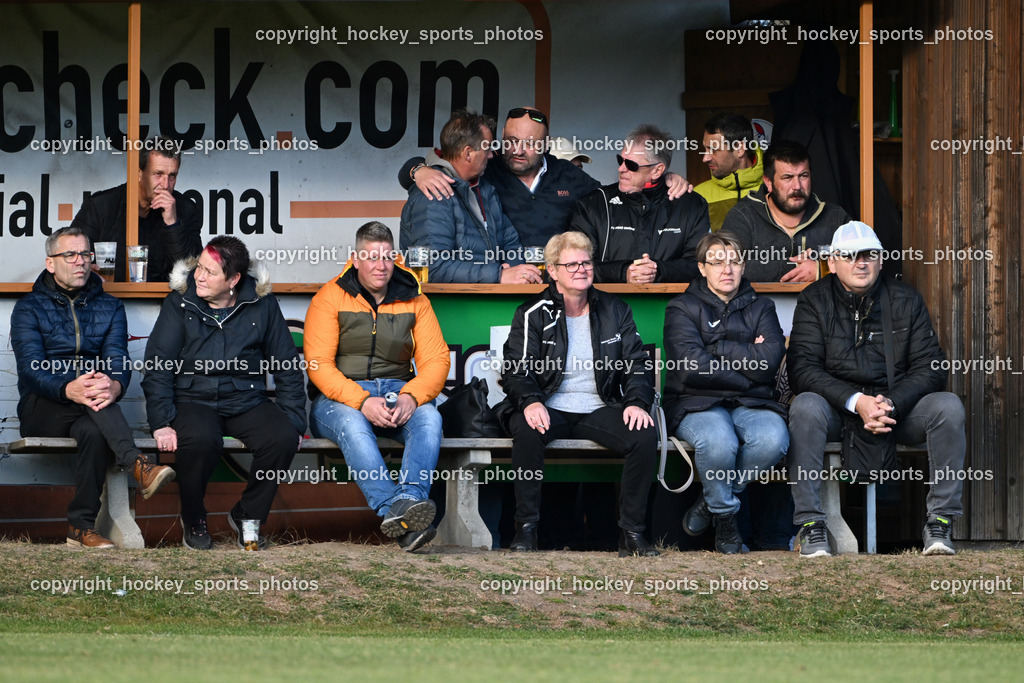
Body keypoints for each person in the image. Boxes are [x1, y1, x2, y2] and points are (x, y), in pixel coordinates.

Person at [787, 221, 965, 557]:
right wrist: (857, 402)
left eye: (869, 254)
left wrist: (890, 403)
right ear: (832, 261)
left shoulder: (905, 299)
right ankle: (811, 524)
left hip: (895, 410)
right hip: (838, 410)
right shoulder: (814, 299)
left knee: (947, 406)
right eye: (850, 255)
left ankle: (940, 522)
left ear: (881, 260)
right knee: (805, 405)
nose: (861, 262)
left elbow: (931, 367)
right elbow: (802, 370)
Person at [494, 231, 659, 556]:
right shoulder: (532, 312)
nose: (581, 269)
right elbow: (515, 369)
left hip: (599, 407)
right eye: (571, 264)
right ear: (553, 270)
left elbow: (637, 364)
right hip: (548, 405)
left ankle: (632, 533)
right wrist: (530, 401)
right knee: (527, 430)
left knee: (643, 434)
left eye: (585, 262)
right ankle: (526, 530)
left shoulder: (615, 309)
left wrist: (638, 402)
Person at [11, 226, 175, 548]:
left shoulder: (109, 307)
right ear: (50, 263)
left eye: (85, 254)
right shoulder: (28, 308)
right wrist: (67, 388)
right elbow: (31, 369)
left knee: (94, 426)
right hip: (43, 405)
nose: (80, 261)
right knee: (93, 398)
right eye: (69, 254)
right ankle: (137, 465)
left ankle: (80, 528)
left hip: (93, 407)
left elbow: (117, 359)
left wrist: (115, 385)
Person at [142, 236, 306, 550]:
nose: (199, 276)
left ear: (233, 280)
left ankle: (248, 514)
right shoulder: (180, 301)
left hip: (245, 398)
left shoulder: (262, 304)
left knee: (282, 437)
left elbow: (286, 366)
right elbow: (158, 364)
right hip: (193, 398)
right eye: (199, 267)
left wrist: (295, 421)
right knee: (200, 440)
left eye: (210, 272)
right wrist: (161, 420)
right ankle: (194, 516)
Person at [305, 221, 451, 552]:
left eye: (386, 257)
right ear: (355, 259)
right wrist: (361, 401)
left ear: (395, 258)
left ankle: (410, 501)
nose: (380, 265)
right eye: (371, 257)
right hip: (337, 399)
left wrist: (411, 397)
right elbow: (318, 366)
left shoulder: (415, 299)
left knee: (429, 418)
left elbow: (437, 361)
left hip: (397, 392)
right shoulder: (330, 297)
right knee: (354, 425)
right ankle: (395, 512)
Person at [399, 106, 693, 250]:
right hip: (498, 284)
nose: (517, 151)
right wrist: (417, 169)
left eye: (529, 144)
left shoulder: (569, 176)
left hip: (557, 289)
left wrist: (662, 178)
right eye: (511, 141)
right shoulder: (488, 169)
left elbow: (616, 195)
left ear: (545, 144)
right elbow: (450, 163)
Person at [663, 231, 788, 554]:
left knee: (773, 439)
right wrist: (747, 367)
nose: (727, 269)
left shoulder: (763, 307)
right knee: (719, 441)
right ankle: (728, 523)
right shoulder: (682, 307)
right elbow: (691, 367)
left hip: (752, 402)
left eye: (734, 261)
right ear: (702, 268)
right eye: (717, 262)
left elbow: (770, 362)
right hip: (695, 402)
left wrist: (716, 347)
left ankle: (711, 502)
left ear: (744, 266)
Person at [398, 109, 539, 284]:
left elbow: (511, 243)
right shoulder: (433, 191)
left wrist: (515, 271)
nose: (491, 155)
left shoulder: (485, 188)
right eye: (487, 148)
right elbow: (433, 267)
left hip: (484, 302)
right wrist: (498, 275)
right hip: (447, 307)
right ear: (467, 153)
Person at [569, 124, 709, 284]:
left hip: (672, 307)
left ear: (657, 171)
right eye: (620, 160)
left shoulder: (692, 205)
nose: (621, 169)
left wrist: (658, 271)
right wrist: (624, 273)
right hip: (606, 306)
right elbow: (575, 265)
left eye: (631, 165)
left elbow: (701, 266)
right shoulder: (593, 204)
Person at [72, 136, 202, 282]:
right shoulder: (100, 206)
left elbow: (193, 274)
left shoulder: (186, 209)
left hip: (164, 302)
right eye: (158, 174)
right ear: (139, 173)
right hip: (110, 300)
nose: (165, 185)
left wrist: (173, 224)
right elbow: (71, 258)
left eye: (172, 176)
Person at [721, 140, 849, 282]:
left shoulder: (835, 217)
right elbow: (726, 266)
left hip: (821, 304)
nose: (797, 186)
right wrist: (794, 266)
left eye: (803, 176)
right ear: (768, 182)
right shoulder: (743, 216)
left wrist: (822, 268)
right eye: (787, 177)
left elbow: (863, 261)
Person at [694, 113, 765, 232]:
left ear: (739, 149)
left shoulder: (775, 189)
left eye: (713, 149)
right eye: (705, 149)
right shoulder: (697, 196)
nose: (705, 158)